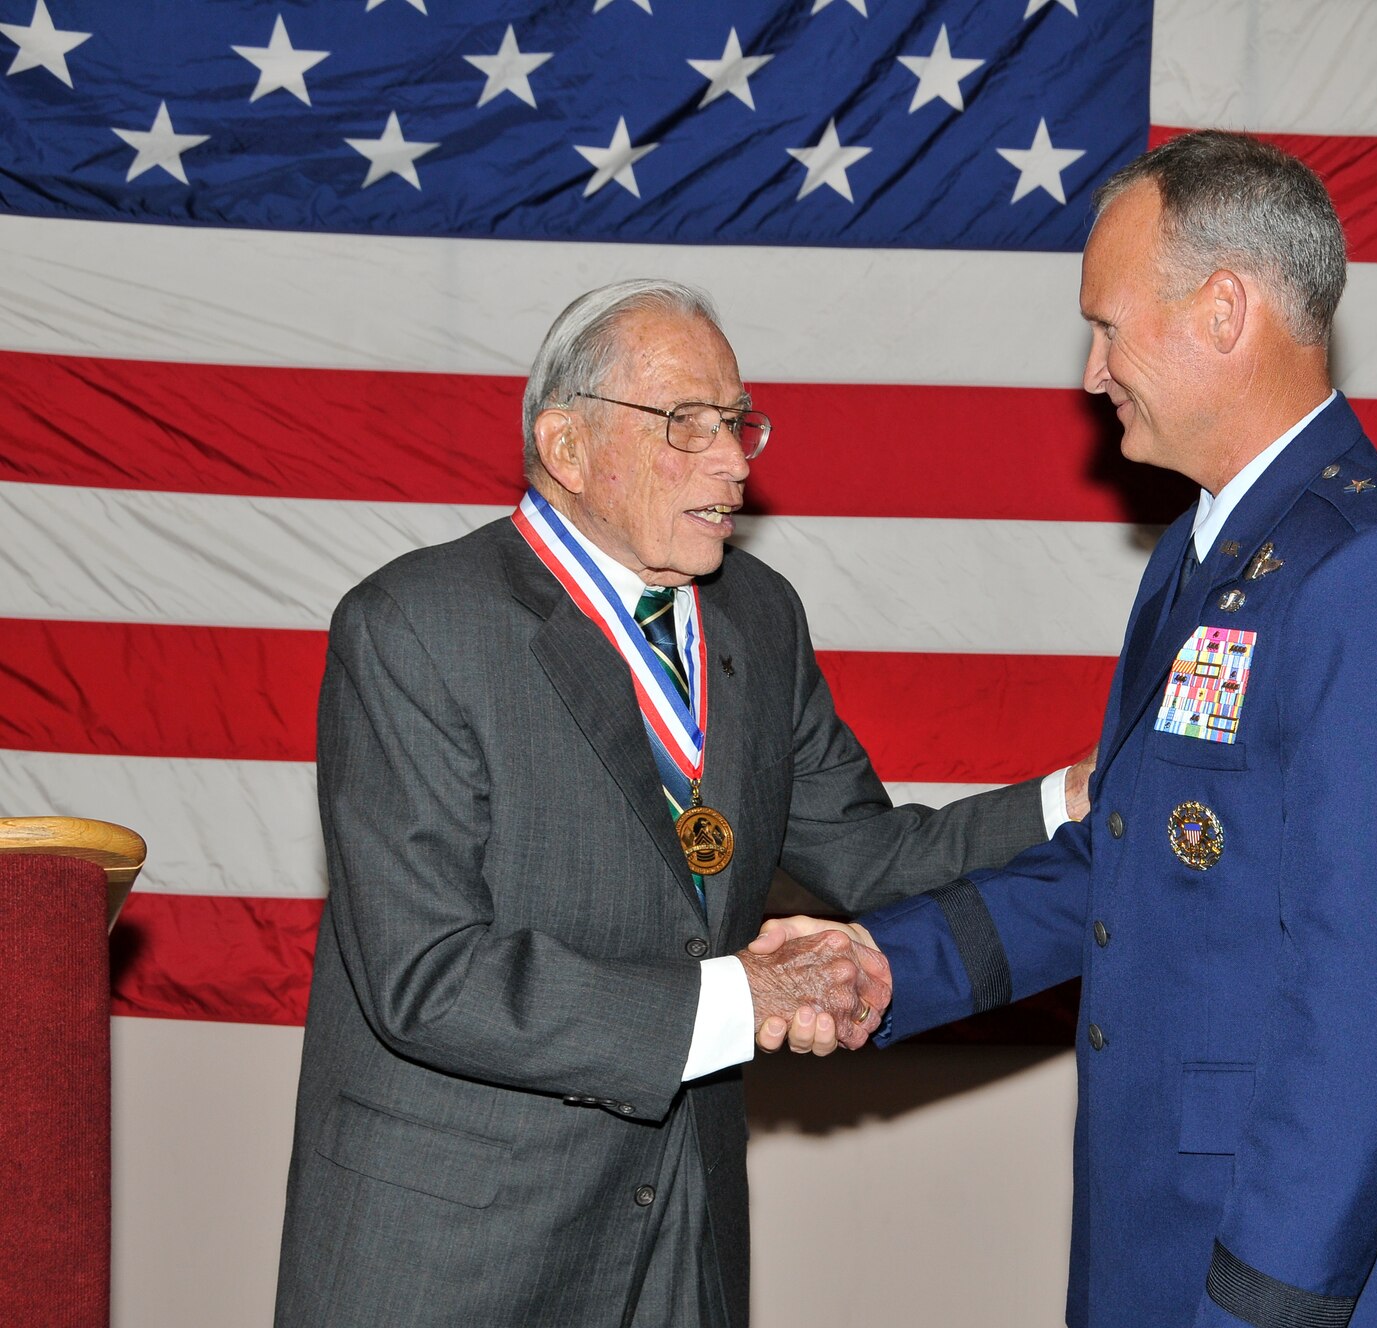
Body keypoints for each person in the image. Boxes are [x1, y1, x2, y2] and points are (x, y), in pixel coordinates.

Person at [763, 131, 1377, 1325]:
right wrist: (886, 963)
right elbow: (1132, 860)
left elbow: (1371, 1011)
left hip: (1294, 1273)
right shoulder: (1201, 556)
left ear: (1223, 310)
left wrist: (1258, 1302)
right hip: (1155, 1235)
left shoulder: (1375, 577)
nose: (1091, 369)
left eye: (1107, 325)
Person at [275, 278, 1084, 1327]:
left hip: (682, 1231)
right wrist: (740, 998)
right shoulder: (414, 627)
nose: (735, 461)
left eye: (737, 421)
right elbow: (427, 979)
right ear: (566, 448)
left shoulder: (759, 613)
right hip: (456, 1249)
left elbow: (872, 855)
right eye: (684, 424)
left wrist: (1074, 796)